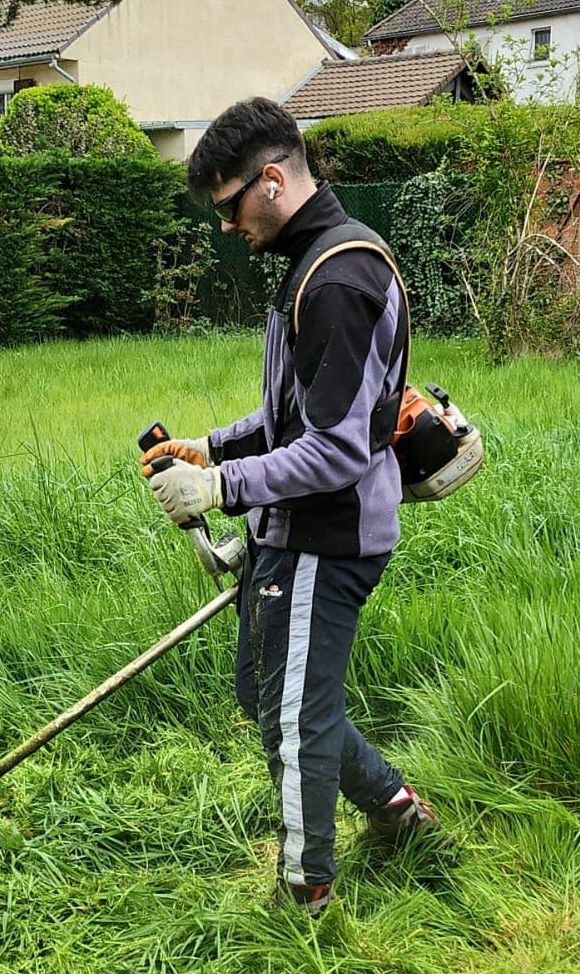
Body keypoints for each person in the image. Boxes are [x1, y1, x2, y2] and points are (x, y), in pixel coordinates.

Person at [142, 97, 442, 915]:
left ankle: (303, 897)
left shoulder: (340, 279)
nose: (227, 226)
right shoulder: (312, 264)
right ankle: (398, 813)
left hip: (328, 538)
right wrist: (214, 447)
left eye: (229, 207)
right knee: (264, 694)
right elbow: (297, 416)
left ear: (270, 181)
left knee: (297, 720)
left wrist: (218, 490)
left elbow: (339, 450)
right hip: (294, 529)